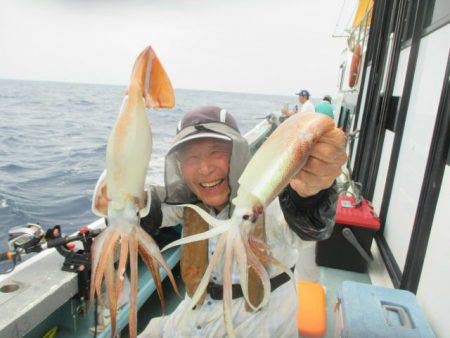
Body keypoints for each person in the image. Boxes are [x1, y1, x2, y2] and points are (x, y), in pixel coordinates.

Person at [97, 106, 347, 337]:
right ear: (180, 168)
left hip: (259, 326)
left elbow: (309, 224)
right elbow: (143, 212)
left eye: (216, 153)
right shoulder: (189, 203)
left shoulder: (272, 204)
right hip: (189, 319)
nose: (205, 169)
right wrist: (121, 193)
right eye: (191, 159)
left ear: (238, 154)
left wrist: (312, 191)